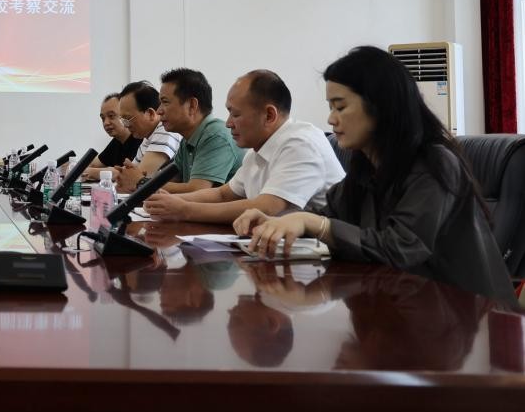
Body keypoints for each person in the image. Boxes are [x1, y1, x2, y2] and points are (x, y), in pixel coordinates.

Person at [235, 46, 517, 306]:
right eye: (330, 107)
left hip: (469, 320)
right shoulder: (367, 165)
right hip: (403, 309)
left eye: (340, 106)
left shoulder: (434, 164)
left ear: (380, 105)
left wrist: (314, 224)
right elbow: (329, 213)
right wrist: (278, 222)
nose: (331, 119)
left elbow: (401, 248)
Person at [144, 70, 344, 224]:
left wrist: (184, 209)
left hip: (331, 259)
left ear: (269, 115)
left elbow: (267, 207)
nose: (228, 123)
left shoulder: (300, 143)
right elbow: (222, 194)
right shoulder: (257, 151)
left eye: (236, 114)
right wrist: (172, 201)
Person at [154, 68, 243, 194]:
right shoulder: (188, 139)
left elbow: (197, 190)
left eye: (165, 102)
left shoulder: (216, 135)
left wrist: (140, 182)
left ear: (192, 105)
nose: (159, 111)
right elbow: (168, 181)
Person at [112, 81, 181, 192]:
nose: (125, 125)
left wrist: (130, 178)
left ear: (150, 114)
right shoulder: (147, 137)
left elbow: (137, 179)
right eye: (122, 120)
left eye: (127, 119)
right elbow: (130, 177)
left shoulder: (165, 130)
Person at [87, 93, 141, 177]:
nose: (106, 123)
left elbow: (125, 174)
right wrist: (73, 166)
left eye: (111, 116)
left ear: (124, 115)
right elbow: (94, 164)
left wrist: (86, 172)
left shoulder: (140, 139)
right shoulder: (117, 140)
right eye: (103, 118)